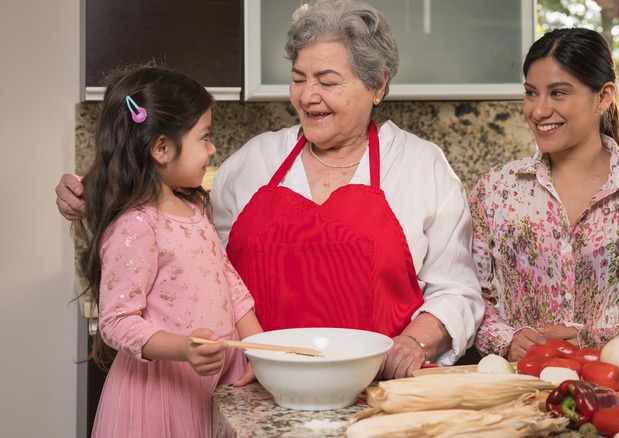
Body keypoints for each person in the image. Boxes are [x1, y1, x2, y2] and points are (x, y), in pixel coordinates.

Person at [56, 0, 483, 380]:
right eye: (298, 78)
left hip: (377, 393)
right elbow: (176, 235)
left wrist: (413, 344)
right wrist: (95, 193)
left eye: (328, 81)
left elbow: (456, 290)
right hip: (250, 391)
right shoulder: (254, 161)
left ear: (378, 85)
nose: (308, 96)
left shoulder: (422, 166)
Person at [469, 28, 619, 361]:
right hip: (519, 389)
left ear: (603, 96)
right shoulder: (496, 190)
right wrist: (506, 339)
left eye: (558, 93)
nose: (538, 111)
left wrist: (597, 339)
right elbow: (468, 295)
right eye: (531, 93)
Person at [71, 66, 263, 437]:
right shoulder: (136, 226)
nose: (212, 149)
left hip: (213, 383)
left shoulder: (194, 211)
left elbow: (228, 280)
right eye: (204, 138)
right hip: (159, 395)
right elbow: (116, 322)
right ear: (161, 148)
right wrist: (184, 349)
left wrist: (258, 349)